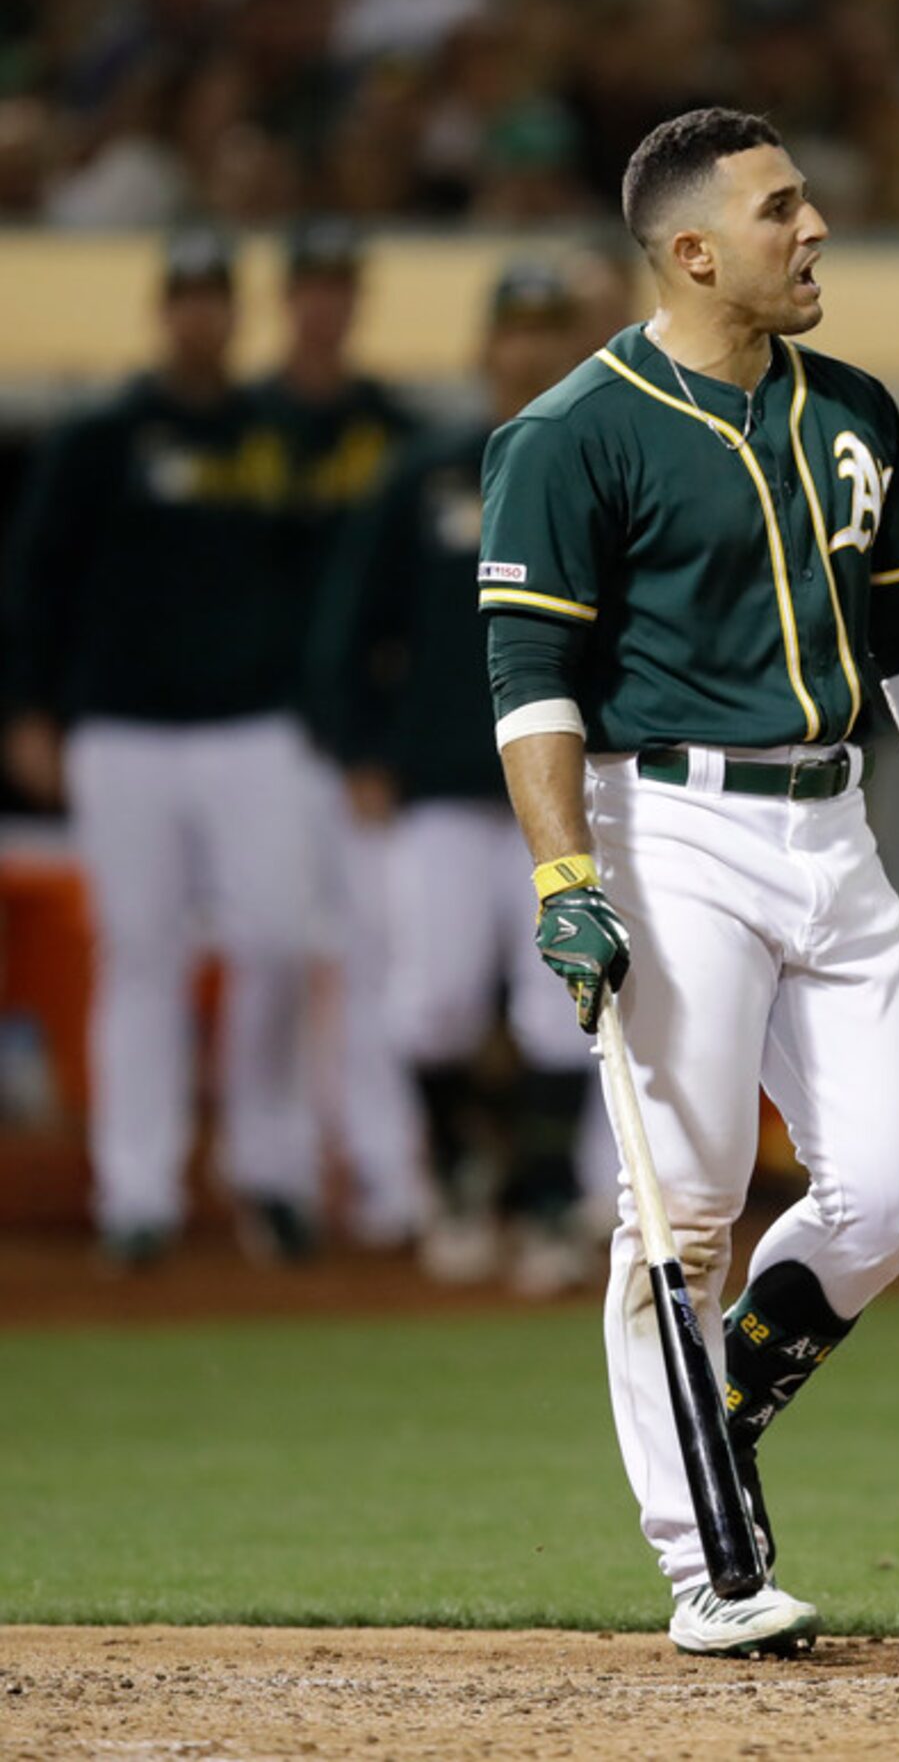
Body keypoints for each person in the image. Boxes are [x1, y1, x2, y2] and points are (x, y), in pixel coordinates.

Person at [479, 107, 899, 1658]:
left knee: (896, 1188)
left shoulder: (851, 409)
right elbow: (529, 679)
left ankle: (711, 1401)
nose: (816, 230)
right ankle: (705, 1560)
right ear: (692, 248)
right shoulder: (568, 430)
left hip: (833, 819)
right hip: (663, 828)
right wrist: (562, 874)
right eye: (782, 207)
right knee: (682, 1209)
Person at [1, 229, 321, 1265]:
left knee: (276, 942)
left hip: (256, 726)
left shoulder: (276, 434)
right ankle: (137, 1193)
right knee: (140, 956)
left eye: (214, 296)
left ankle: (267, 1171)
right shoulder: (100, 437)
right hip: (123, 727)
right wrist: (31, 710)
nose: (200, 314)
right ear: (163, 310)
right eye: (185, 297)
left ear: (237, 310)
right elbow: (33, 582)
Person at [310, 263, 602, 1296]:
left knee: (561, 1007)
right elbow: (353, 626)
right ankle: (464, 1177)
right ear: (484, 348)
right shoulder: (429, 470)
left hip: (571, 790)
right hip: (439, 779)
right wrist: (358, 750)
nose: (525, 350)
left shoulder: (605, 463)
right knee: (430, 1002)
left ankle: (545, 1197)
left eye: (545, 329)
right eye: (512, 331)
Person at [255, 218, 428, 1251]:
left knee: (372, 960)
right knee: (272, 956)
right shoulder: (238, 426)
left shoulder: (395, 432)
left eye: (340, 286)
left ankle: (381, 1179)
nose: (326, 303)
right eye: (311, 285)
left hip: (361, 736)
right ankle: (274, 1175)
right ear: (289, 298)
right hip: (250, 727)